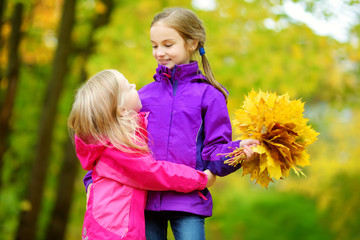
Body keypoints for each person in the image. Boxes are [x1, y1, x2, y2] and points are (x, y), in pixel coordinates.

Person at [84, 7, 260, 240]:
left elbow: (213, 151)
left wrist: (237, 152)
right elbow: (114, 143)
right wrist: (92, 183)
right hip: (143, 203)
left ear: (192, 43)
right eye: (154, 45)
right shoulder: (142, 97)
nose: (159, 52)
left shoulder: (210, 96)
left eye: (168, 45)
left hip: (188, 202)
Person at [68, 69, 216, 239]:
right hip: (115, 232)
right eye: (127, 87)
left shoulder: (112, 141)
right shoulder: (118, 149)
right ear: (122, 110)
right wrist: (200, 179)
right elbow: (153, 172)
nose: (134, 85)